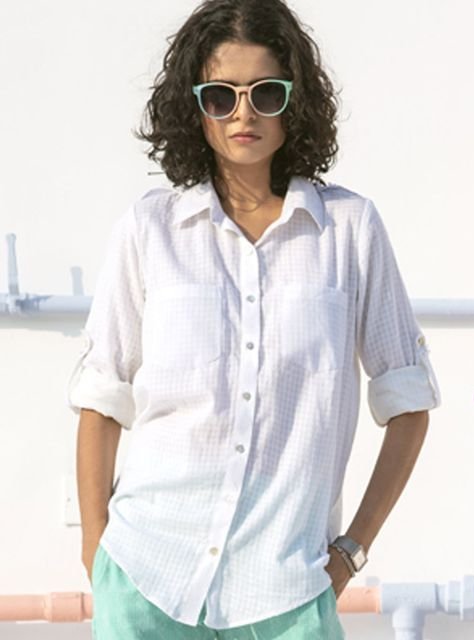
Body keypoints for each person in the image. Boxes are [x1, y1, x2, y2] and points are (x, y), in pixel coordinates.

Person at [65, 0, 441, 638]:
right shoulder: (150, 229)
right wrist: (96, 549)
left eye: (266, 93)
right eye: (221, 96)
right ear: (196, 107)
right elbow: (102, 398)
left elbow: (408, 402)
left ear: (295, 101)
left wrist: (350, 553)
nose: (244, 113)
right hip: (145, 580)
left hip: (286, 592)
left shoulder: (349, 231)